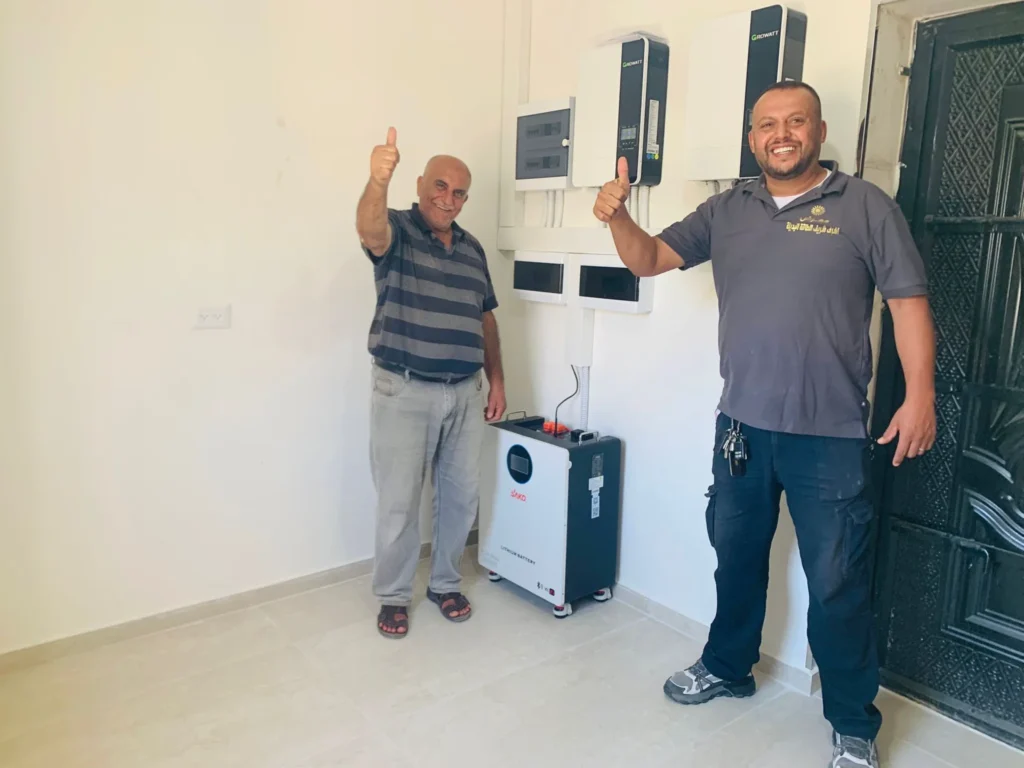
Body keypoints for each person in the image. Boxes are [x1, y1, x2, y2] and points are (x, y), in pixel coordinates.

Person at [593, 82, 936, 768]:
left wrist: (920, 395)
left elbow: (907, 303)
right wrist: (618, 217)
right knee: (737, 558)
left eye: (796, 121)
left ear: (819, 130)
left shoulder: (865, 205)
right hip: (741, 430)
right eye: (768, 125)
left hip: (830, 436)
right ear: (752, 139)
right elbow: (648, 259)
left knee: (837, 584)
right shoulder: (728, 209)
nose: (782, 134)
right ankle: (728, 666)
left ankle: (852, 723)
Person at [356, 127, 507, 639]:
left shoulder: (472, 249)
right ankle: (394, 596)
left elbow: (485, 317)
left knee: (462, 498)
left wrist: (496, 380)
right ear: (420, 184)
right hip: (404, 389)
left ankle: (445, 584)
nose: (449, 198)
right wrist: (378, 182)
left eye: (460, 192)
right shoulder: (396, 230)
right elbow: (370, 230)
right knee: (399, 502)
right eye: (440, 186)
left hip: (464, 391)